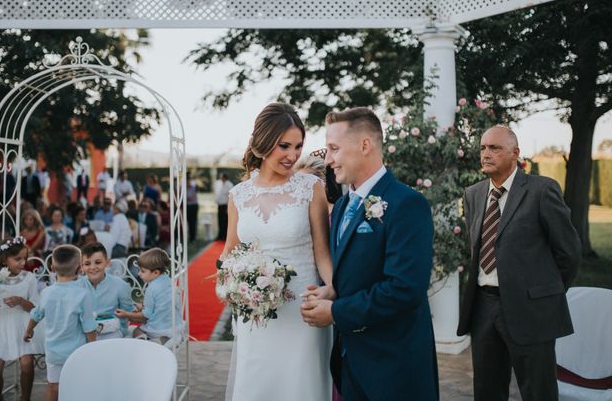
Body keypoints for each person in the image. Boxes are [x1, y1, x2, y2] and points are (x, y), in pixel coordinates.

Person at [301, 107, 439, 401]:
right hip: (351, 365)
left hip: (394, 367)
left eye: (334, 149)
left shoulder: (407, 204)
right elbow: (356, 272)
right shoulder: (340, 207)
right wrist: (332, 292)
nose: (328, 159)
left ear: (365, 145)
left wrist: (336, 312)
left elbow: (404, 289)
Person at [457, 126, 581, 401]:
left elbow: (569, 253)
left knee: (538, 391)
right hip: (484, 308)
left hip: (531, 309)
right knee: (487, 391)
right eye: (483, 148)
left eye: (495, 148)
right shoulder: (474, 194)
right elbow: (476, 247)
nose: (486, 154)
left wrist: (544, 293)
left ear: (515, 153)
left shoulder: (541, 190)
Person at [220, 102, 332, 401]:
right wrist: (237, 286)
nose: (293, 155)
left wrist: (334, 289)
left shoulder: (310, 188)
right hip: (255, 313)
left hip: (302, 308)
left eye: (298, 146)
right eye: (284, 146)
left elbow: (322, 252)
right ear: (263, 142)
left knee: (299, 386)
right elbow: (230, 252)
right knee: (257, 384)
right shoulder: (238, 195)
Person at [0, 236, 44, 401]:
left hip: (23, 326)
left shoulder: (29, 278)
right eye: (17, 259)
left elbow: (36, 308)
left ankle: (24, 398)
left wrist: (20, 301)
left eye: (24, 259)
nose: (22, 262)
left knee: (27, 364)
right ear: (5, 259)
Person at [24, 244, 97, 401]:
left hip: (53, 351)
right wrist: (93, 348)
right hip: (76, 352)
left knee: (53, 387)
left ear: (51, 267)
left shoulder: (46, 292)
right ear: (79, 268)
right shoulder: (83, 295)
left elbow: (36, 314)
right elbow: (89, 326)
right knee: (78, 387)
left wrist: (28, 330)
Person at [115, 247, 182, 344]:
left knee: (137, 330)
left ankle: (144, 342)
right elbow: (160, 303)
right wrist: (143, 306)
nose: (139, 274)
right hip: (175, 325)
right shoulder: (167, 280)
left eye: (142, 271)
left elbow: (146, 315)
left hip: (159, 327)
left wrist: (126, 314)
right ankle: (162, 338)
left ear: (155, 273)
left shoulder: (152, 288)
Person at [80, 242, 134, 340]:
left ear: (107, 262)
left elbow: (127, 312)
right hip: (84, 333)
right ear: (81, 266)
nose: (92, 267)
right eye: (87, 264)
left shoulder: (120, 285)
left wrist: (122, 330)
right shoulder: (77, 286)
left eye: (98, 262)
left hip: (111, 333)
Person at [214, 172, 234, 241]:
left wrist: (228, 207)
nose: (220, 178)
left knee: (225, 222)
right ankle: (220, 235)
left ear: (224, 177)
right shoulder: (220, 184)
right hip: (220, 205)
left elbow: (230, 197)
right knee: (220, 221)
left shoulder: (229, 185)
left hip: (225, 206)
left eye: (221, 177)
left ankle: (225, 236)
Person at [186, 173, 198, 242]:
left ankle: (193, 237)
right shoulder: (184, 187)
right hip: (187, 206)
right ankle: (189, 236)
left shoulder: (193, 187)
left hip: (193, 206)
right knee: (188, 222)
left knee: (193, 222)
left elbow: (190, 197)